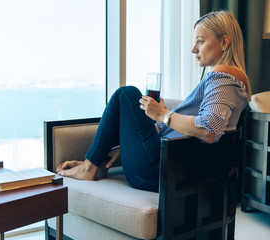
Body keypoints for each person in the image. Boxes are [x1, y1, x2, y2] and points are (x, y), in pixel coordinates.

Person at [57, 11, 251, 192]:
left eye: (200, 41)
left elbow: (209, 130)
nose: (194, 49)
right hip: (169, 167)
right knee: (128, 98)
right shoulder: (229, 81)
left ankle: (88, 167)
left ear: (224, 42)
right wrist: (127, 147)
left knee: (126, 94)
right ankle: (93, 162)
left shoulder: (223, 79)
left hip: (161, 172)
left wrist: (163, 115)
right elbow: (197, 126)